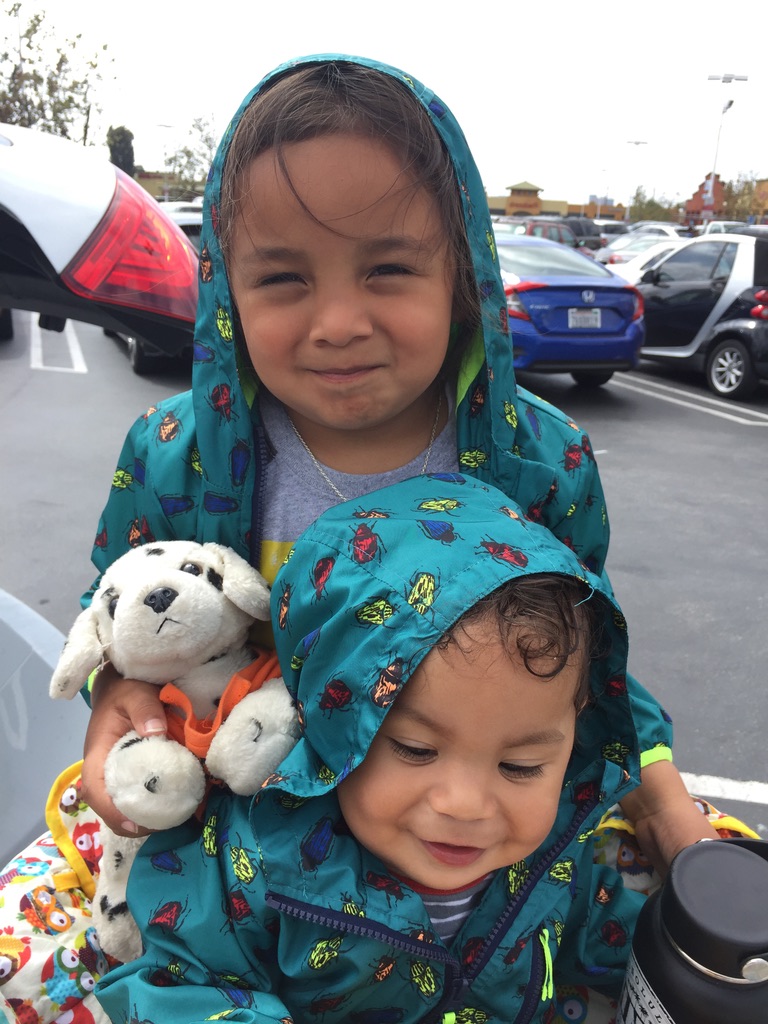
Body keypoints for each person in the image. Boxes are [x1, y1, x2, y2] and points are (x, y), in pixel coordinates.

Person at [79, 54, 717, 871]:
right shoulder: (176, 457)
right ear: (227, 290)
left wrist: (662, 807)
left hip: (468, 856)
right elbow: (115, 619)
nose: (340, 322)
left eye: (388, 269)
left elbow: (577, 662)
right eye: (283, 277)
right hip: (237, 864)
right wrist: (116, 689)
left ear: (462, 275)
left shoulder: (538, 462)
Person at [97, 474, 646, 1023]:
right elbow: (176, 984)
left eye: (520, 767)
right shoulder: (256, 862)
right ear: (329, 725)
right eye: (416, 749)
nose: (465, 804)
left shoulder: (559, 852)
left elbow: (628, 941)